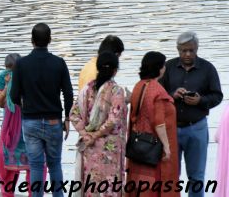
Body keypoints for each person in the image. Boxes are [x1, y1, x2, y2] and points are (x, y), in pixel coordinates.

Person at [9, 23, 74, 197]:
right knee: (55, 164)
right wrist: (67, 119)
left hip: (31, 121)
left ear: (32, 41)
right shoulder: (59, 63)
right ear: (50, 40)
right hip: (54, 121)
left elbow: (14, 95)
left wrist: (25, 106)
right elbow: (68, 93)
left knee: (36, 165)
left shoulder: (21, 64)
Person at [159, 31, 223, 197]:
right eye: (183, 51)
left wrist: (200, 100)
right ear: (178, 49)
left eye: (191, 50)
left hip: (197, 128)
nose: (187, 54)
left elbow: (217, 96)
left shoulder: (208, 69)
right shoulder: (168, 67)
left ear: (197, 49)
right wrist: (172, 95)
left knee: (197, 177)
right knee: (171, 176)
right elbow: (158, 94)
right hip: (171, 129)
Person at [69, 51, 128, 194]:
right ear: (115, 70)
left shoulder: (87, 89)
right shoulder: (116, 91)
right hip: (110, 148)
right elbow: (113, 120)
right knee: (109, 187)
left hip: (90, 147)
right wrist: (95, 136)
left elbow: (74, 114)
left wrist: (85, 134)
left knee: (92, 186)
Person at [126, 52, 178, 196]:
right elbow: (159, 122)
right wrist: (167, 147)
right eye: (164, 65)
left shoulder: (139, 85)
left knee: (138, 184)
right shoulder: (157, 90)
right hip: (153, 150)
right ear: (159, 68)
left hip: (138, 147)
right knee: (154, 186)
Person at [0, 54, 32, 197]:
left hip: (28, 124)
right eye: (8, 69)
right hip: (10, 127)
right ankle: (8, 193)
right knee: (8, 162)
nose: (10, 72)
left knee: (32, 163)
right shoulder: (3, 77)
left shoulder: (28, 77)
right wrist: (7, 86)